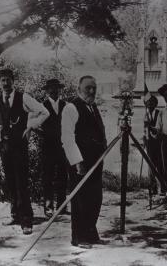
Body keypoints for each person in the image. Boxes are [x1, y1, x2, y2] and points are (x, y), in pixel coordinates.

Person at [0, 68, 49, 235]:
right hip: (4, 147)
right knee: (10, 182)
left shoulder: (23, 97)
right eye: (2, 80)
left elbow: (44, 112)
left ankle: (27, 220)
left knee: (22, 182)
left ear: (13, 80)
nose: (5, 83)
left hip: (19, 146)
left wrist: (31, 126)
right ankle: (15, 215)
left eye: (8, 79)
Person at [61, 75, 107, 249]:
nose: (92, 91)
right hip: (79, 162)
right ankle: (79, 237)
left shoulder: (93, 107)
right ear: (79, 89)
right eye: (88, 87)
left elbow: (99, 132)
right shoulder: (71, 108)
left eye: (94, 87)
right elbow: (67, 138)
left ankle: (90, 233)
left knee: (95, 198)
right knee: (80, 199)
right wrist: (77, 162)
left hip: (95, 162)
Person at [41, 79, 68, 217]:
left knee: (63, 176)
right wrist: (44, 134)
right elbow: (33, 124)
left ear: (60, 90)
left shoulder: (66, 106)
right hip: (48, 147)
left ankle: (62, 206)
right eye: (51, 88)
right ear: (47, 91)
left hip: (63, 147)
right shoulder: (42, 106)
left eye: (56, 88)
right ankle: (48, 207)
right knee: (48, 177)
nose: (53, 91)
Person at [144, 95, 161, 195]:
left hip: (158, 143)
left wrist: (151, 127)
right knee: (151, 166)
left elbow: (160, 128)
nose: (150, 104)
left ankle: (163, 188)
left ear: (156, 104)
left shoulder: (159, 113)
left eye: (152, 102)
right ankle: (152, 188)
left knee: (159, 165)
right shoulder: (146, 114)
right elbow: (144, 129)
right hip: (149, 143)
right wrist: (145, 140)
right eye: (148, 103)